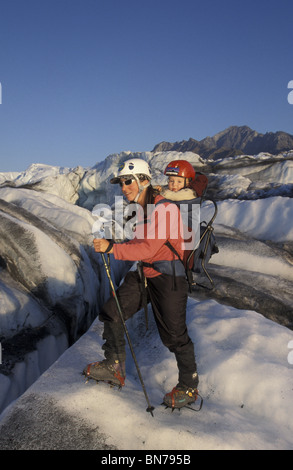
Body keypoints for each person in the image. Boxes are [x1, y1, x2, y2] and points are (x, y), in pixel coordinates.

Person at [83, 158, 199, 409]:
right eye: (121, 183)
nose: (123, 187)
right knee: (112, 311)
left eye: (128, 182)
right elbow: (141, 247)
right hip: (145, 273)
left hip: (169, 279)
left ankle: (189, 387)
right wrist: (117, 244)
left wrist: (113, 247)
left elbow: (148, 248)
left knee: (175, 336)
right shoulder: (143, 209)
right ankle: (114, 366)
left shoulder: (164, 209)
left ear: (144, 181)